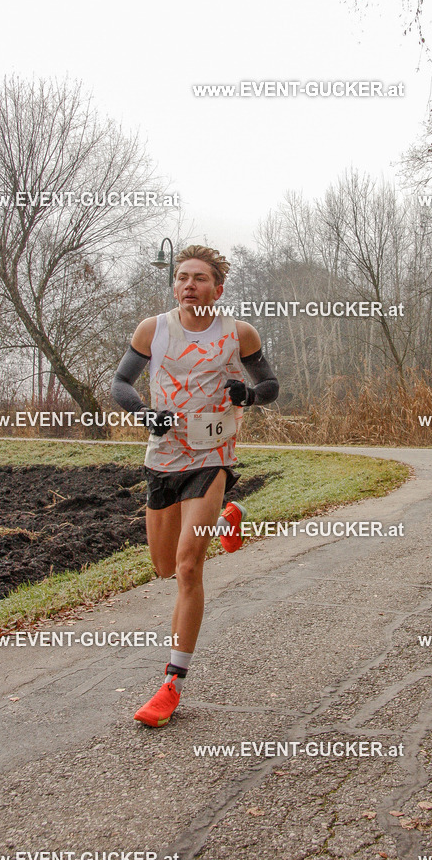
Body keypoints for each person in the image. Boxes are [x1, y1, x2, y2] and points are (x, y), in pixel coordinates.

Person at [111, 244, 279, 727]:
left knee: (188, 568)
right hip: (164, 457)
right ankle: (229, 514)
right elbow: (121, 383)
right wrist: (143, 413)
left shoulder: (238, 333)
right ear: (175, 286)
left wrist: (247, 393)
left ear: (217, 288)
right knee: (163, 567)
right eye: (182, 277)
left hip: (212, 456)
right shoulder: (153, 329)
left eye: (200, 278)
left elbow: (270, 386)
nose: (189, 284)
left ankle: (171, 684)